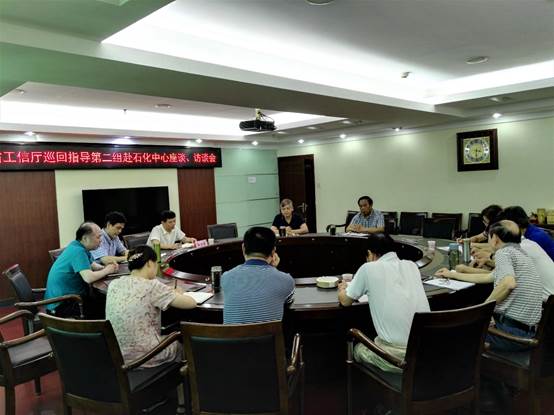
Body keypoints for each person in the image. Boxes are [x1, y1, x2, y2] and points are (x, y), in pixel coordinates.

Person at [436, 220, 543, 351]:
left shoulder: (504, 253)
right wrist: (452, 274)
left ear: (495, 239)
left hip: (511, 335)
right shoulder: (521, 254)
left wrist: (483, 310)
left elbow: (508, 283)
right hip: (527, 332)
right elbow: (489, 276)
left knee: (450, 329)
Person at [338, 233, 429, 372]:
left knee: (358, 349)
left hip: (398, 359)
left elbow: (345, 301)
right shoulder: (411, 266)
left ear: (370, 254)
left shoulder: (368, 268)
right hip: (425, 351)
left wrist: (342, 289)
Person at [105, 245, 197, 367]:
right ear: (149, 263)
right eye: (156, 263)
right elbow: (191, 303)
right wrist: (178, 293)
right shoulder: (152, 286)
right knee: (184, 343)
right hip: (145, 357)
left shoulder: (114, 284)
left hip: (117, 355)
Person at [221, 226, 295, 324]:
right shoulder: (287, 280)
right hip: (270, 335)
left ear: (243, 248)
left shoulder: (226, 277)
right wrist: (273, 268)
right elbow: (284, 299)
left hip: (231, 334)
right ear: (273, 251)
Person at [44, 222, 118, 317]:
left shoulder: (77, 246)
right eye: (98, 237)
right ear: (85, 238)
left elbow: (93, 265)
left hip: (69, 299)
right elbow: (88, 278)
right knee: (110, 307)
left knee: (105, 301)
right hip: (61, 305)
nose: (101, 240)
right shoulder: (78, 251)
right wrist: (107, 270)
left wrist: (106, 267)